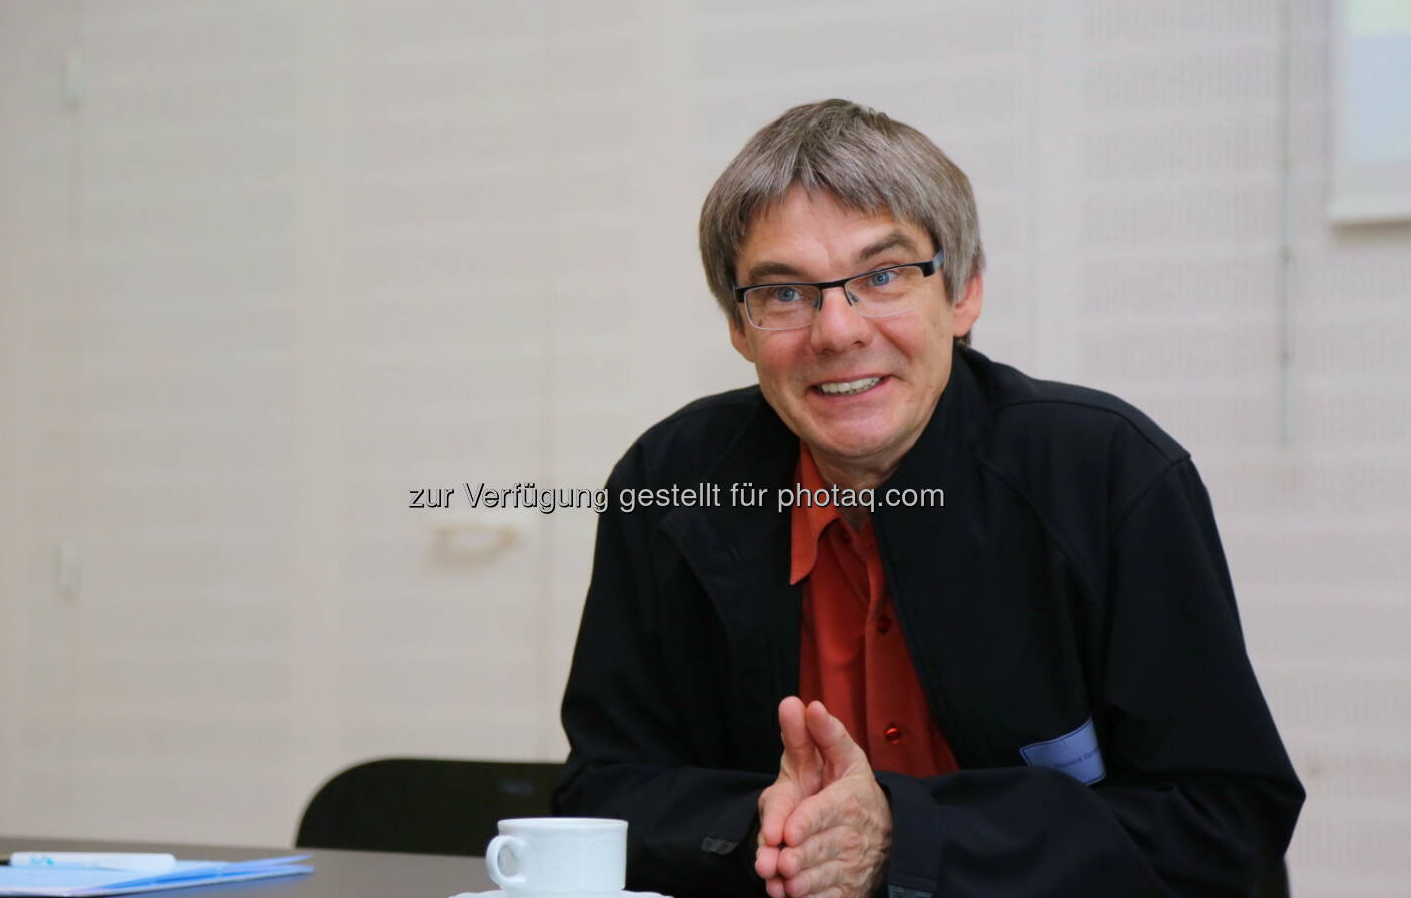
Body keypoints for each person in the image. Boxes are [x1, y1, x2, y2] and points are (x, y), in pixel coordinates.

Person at [554, 99, 1303, 898]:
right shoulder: (672, 483)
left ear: (965, 293)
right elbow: (603, 790)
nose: (836, 331)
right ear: (739, 329)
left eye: (882, 277)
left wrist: (904, 836)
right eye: (784, 294)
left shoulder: (1106, 472)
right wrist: (769, 829)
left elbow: (1221, 820)